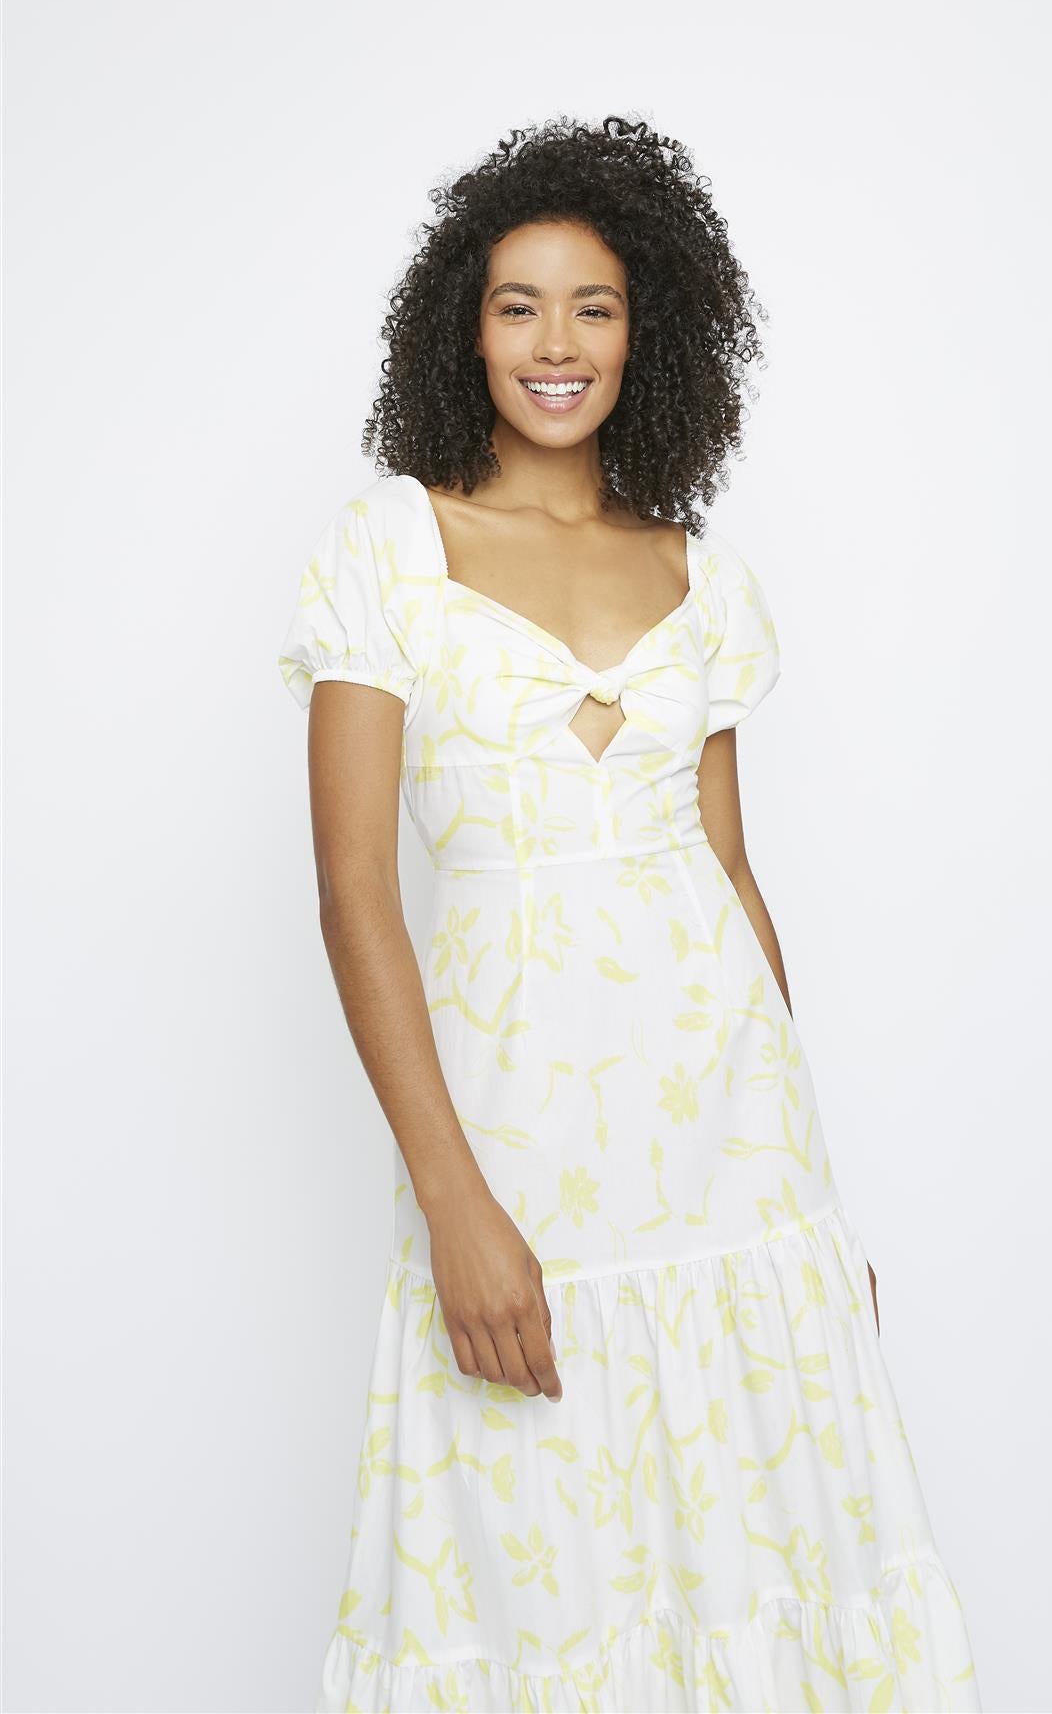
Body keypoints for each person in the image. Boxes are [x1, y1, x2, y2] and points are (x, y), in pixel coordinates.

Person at [278, 115, 981, 1714]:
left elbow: (728, 876)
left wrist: (808, 1205)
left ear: (645, 330)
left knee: (776, 1566)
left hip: (735, 1158)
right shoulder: (391, 553)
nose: (556, 344)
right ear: (464, 328)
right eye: (518, 305)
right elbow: (352, 893)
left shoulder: (697, 576)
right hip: (518, 1141)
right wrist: (453, 1203)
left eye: (592, 306)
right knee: (541, 1573)